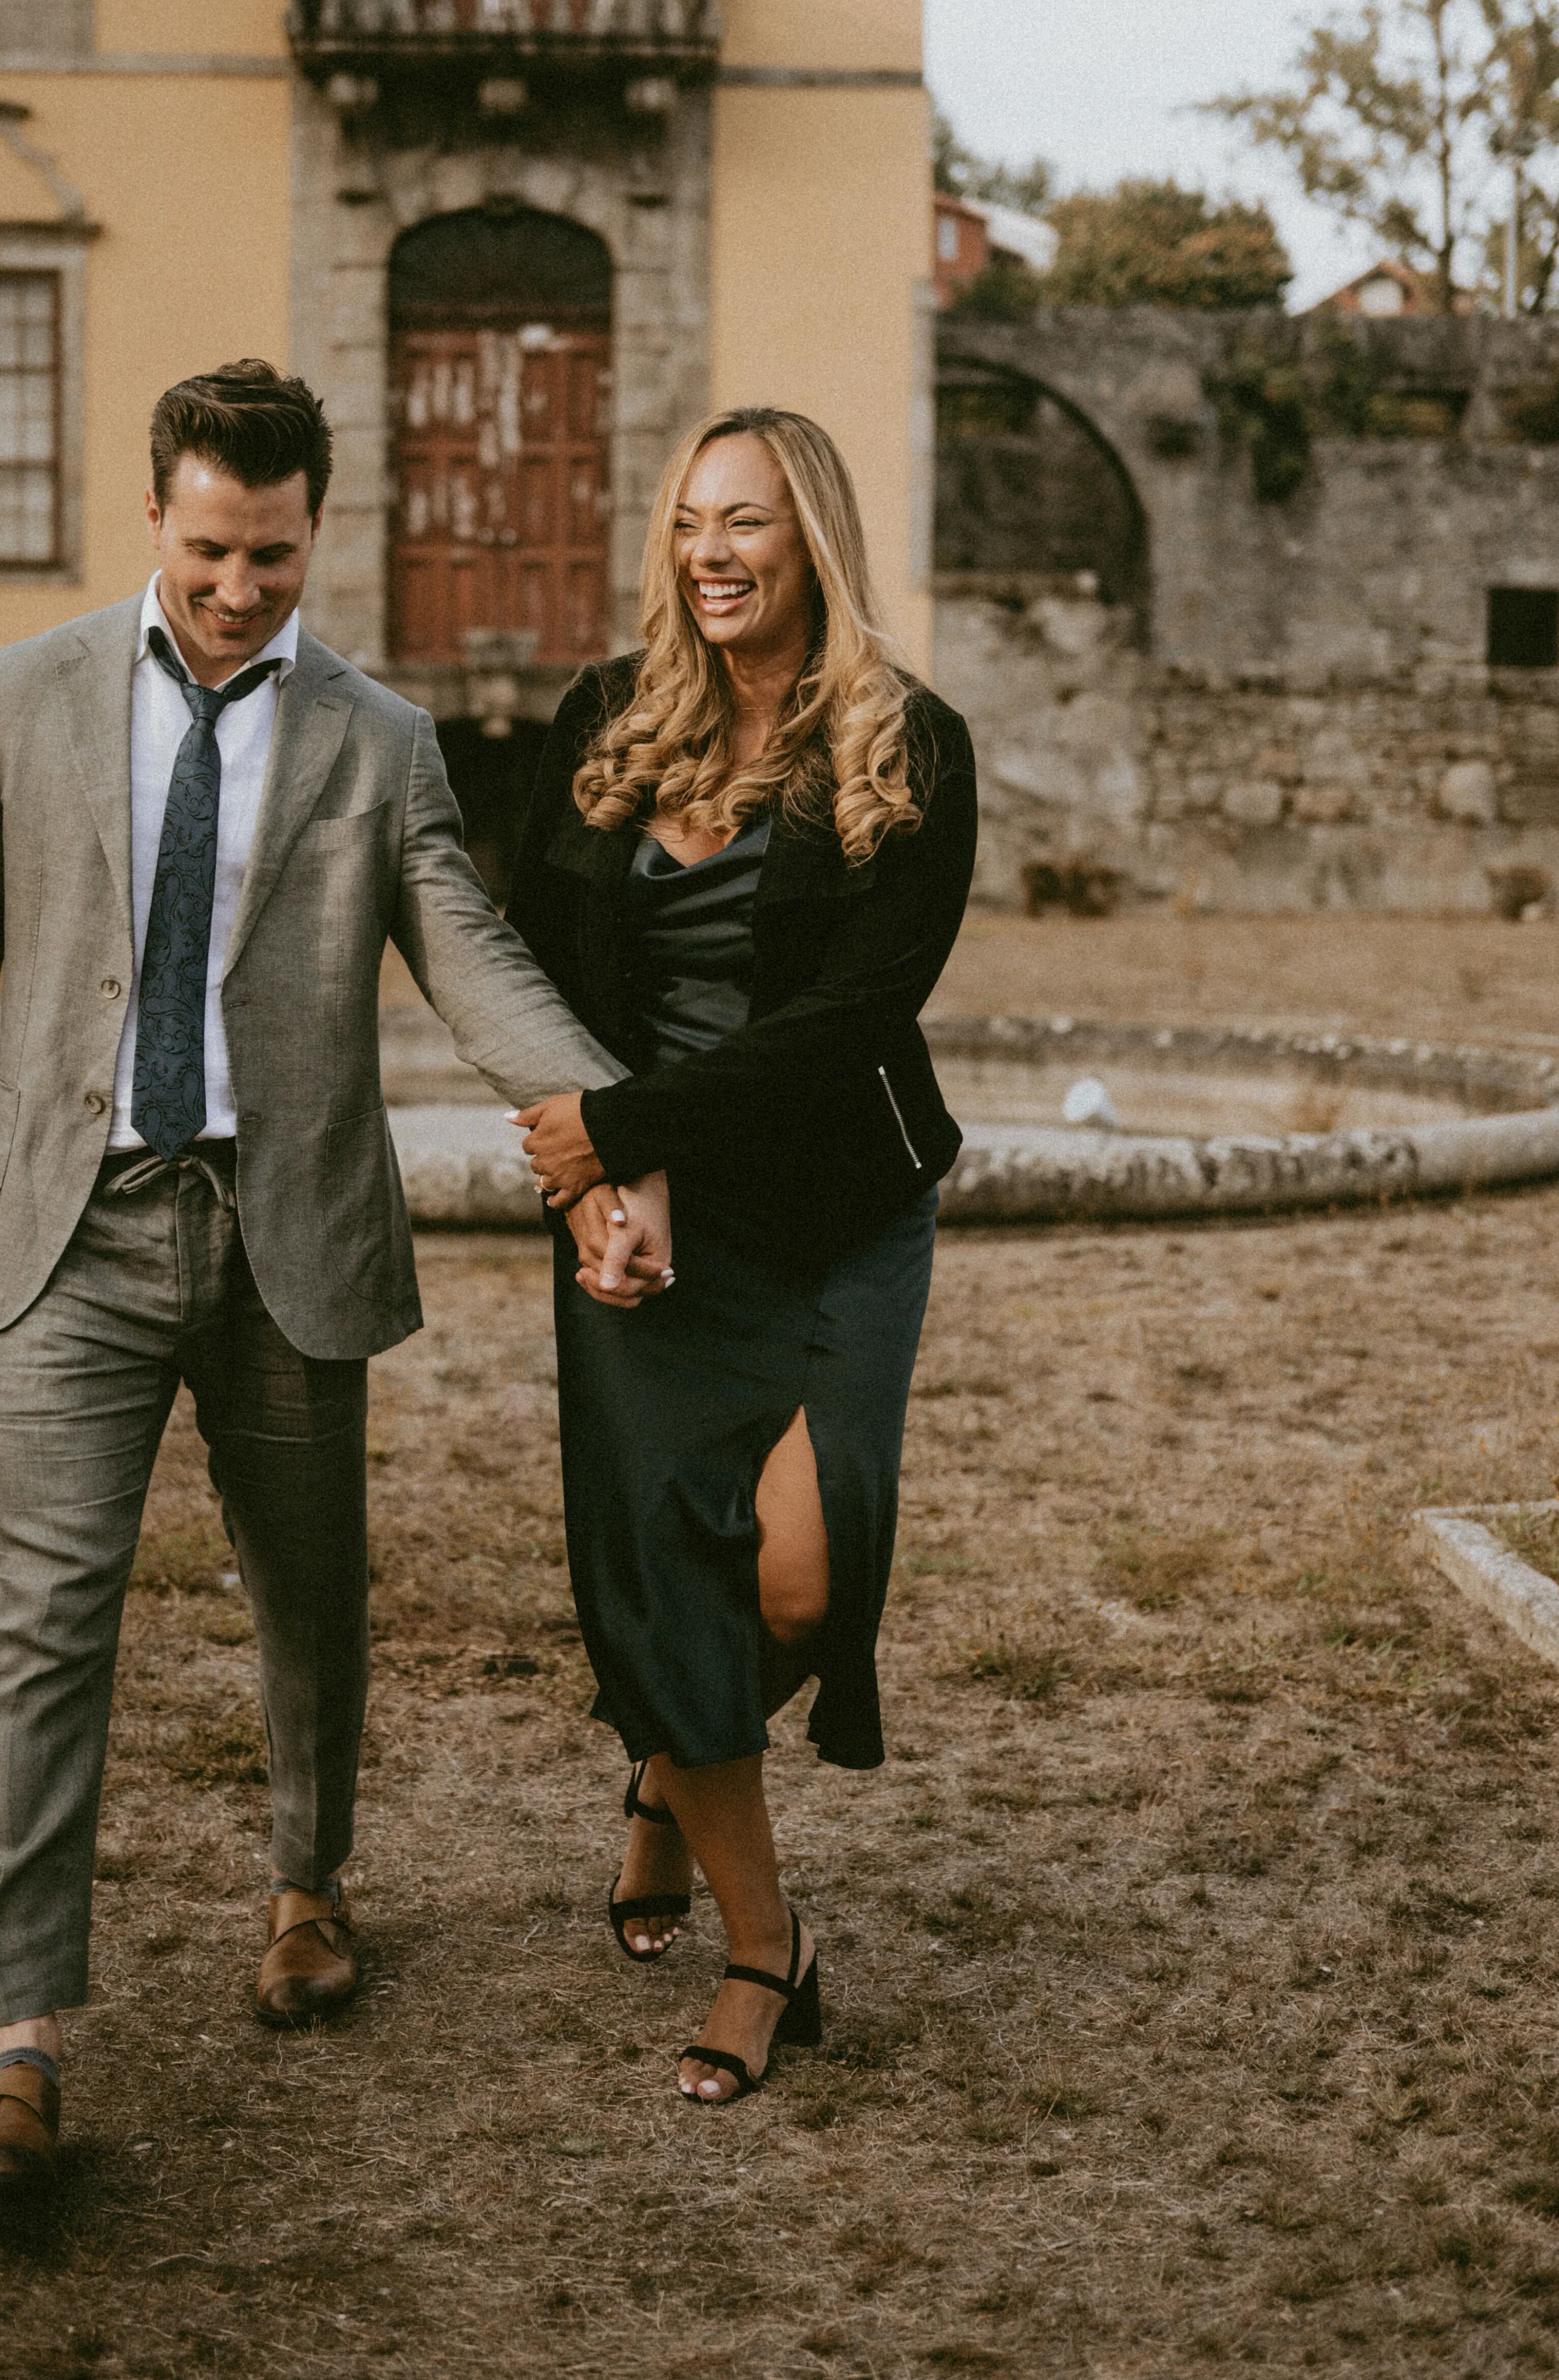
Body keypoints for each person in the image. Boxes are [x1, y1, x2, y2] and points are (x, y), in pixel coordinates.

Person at [0, 361, 671, 2188]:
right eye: (213, 549)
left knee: (309, 1593)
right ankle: (19, 2042)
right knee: (49, 1620)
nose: (241, 589)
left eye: (277, 556)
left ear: (320, 532)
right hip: (73, 1231)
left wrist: (613, 1129)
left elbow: (473, 963)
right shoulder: (18, 697)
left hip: (287, 1230)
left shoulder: (381, 741)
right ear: (154, 514)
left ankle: (310, 1884)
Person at [508, 406, 976, 2106]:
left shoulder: (911, 745)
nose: (711, 551)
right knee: (663, 1569)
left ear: (813, 539)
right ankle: (766, 1943)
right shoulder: (606, 717)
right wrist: (602, 1183)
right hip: (644, 1222)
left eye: (748, 521)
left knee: (802, 1578)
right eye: (691, 520)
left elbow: (852, 1016)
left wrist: (627, 1131)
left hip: (839, 1210)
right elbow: (530, 957)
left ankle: (665, 1759)